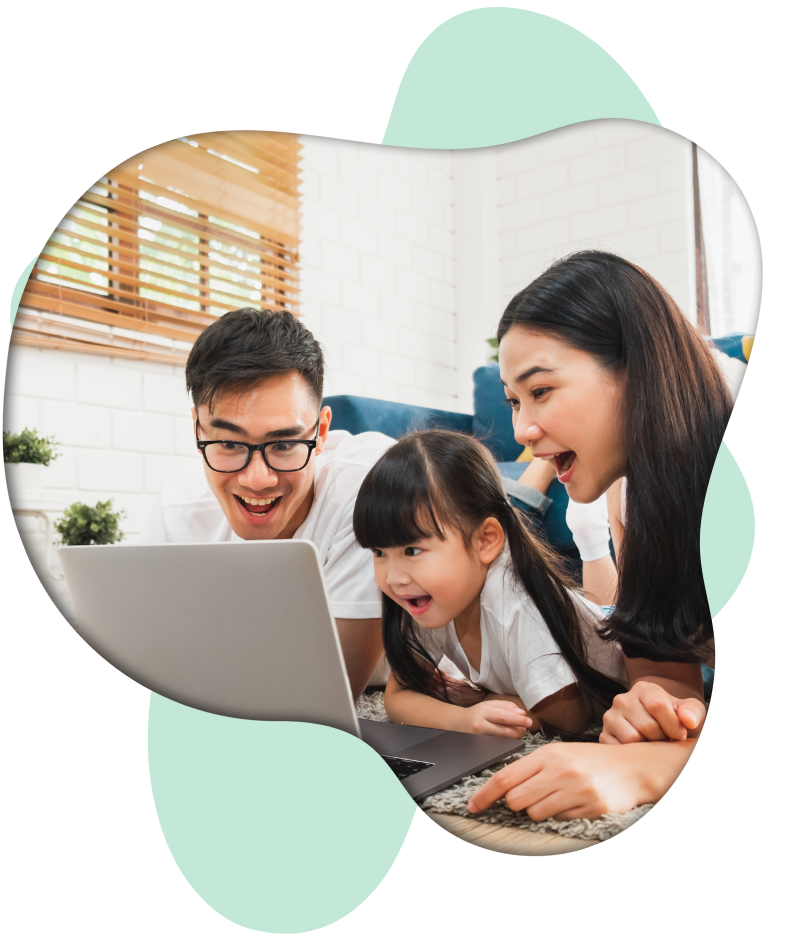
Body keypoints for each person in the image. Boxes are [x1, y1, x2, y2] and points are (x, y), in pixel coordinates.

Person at [468, 250, 730, 820]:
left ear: (638, 370)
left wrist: (647, 768)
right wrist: (652, 707)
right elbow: (667, 671)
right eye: (514, 401)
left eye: (540, 392)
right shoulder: (635, 493)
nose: (522, 430)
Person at [140, 307, 394, 701]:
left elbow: (326, 699)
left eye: (283, 444)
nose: (257, 479)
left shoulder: (370, 484)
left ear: (321, 431)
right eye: (227, 444)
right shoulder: (179, 510)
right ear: (196, 429)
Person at [352, 429, 628, 739]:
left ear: (486, 541)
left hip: (621, 636)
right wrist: (462, 719)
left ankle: (590, 533)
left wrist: (481, 700)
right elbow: (397, 697)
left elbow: (568, 719)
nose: (393, 578)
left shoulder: (514, 604)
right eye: (379, 552)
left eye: (412, 550)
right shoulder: (427, 594)